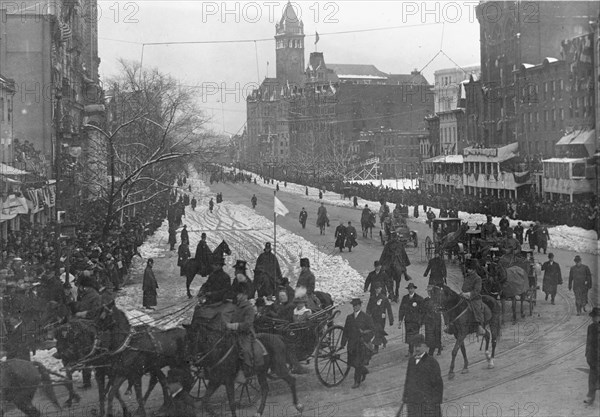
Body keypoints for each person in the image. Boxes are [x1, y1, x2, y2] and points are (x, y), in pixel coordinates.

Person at [225, 282, 262, 384]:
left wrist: (234, 326)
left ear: (245, 295)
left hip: (246, 334)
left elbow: (248, 324)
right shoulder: (236, 306)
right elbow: (231, 318)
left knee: (245, 350)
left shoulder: (249, 308)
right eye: (237, 294)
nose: (238, 296)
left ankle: (247, 370)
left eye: (240, 294)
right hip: (234, 333)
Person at [399, 334, 444, 417]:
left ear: (425, 347)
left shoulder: (432, 362)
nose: (417, 349)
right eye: (415, 346)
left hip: (428, 403)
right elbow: (408, 380)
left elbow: (438, 384)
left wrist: (436, 403)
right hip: (413, 402)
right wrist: (405, 397)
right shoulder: (411, 361)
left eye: (419, 346)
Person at [341, 298, 374, 389]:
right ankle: (364, 371)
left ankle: (357, 381)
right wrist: (343, 343)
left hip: (361, 344)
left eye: (357, 305)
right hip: (351, 344)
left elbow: (372, 330)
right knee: (352, 363)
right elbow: (345, 331)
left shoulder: (366, 317)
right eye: (354, 306)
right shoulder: (349, 317)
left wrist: (365, 339)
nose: (355, 307)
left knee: (358, 363)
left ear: (360, 306)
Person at [398, 283, 424, 355]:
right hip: (408, 321)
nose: (410, 290)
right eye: (409, 289)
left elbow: (423, 311)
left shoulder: (419, 298)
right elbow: (401, 309)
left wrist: (421, 321)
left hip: (416, 321)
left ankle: (416, 351)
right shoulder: (405, 298)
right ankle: (410, 351)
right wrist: (400, 319)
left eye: (412, 288)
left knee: (415, 336)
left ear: (414, 289)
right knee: (409, 336)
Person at [461, 259, 486, 336]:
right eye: (468, 269)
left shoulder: (478, 278)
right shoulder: (467, 277)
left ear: (474, 269)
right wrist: (463, 293)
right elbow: (463, 287)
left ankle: (479, 326)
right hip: (465, 295)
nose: (468, 270)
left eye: (470, 269)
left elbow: (477, 290)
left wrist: (469, 295)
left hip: (474, 298)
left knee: (476, 309)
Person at [369, 284, 393, 353]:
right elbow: (368, 308)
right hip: (373, 317)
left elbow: (389, 309)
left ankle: (376, 348)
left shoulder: (384, 298)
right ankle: (384, 340)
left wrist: (391, 320)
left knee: (377, 331)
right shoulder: (372, 298)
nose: (377, 290)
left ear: (381, 289)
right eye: (376, 288)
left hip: (381, 318)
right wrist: (367, 316)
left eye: (378, 288)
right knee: (377, 331)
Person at [584, 307, 600, 405]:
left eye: (596, 317)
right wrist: (587, 354)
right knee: (592, 377)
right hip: (594, 357)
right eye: (593, 317)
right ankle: (591, 397)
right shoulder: (591, 327)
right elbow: (588, 342)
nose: (594, 319)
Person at [422, 286, 443, 356]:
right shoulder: (425, 300)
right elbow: (423, 310)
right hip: (428, 321)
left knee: (437, 335)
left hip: (436, 320)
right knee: (429, 336)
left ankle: (437, 348)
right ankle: (432, 349)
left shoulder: (437, 300)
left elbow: (440, 309)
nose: (429, 293)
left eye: (431, 291)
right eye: (428, 291)